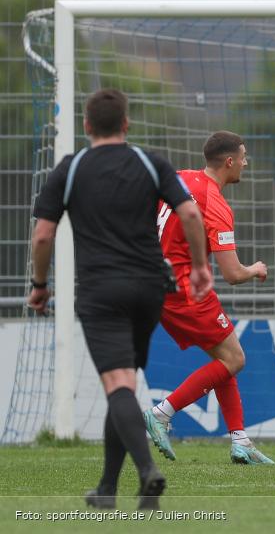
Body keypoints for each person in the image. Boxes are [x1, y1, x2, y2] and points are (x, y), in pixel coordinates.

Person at [27, 88, 212, 509]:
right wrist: (201, 267)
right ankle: (107, 490)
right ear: (126, 125)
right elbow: (189, 214)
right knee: (123, 384)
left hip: (102, 291)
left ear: (87, 125)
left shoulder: (71, 170)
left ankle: (148, 471)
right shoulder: (150, 161)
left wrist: (40, 285)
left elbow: (43, 234)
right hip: (150, 289)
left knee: (119, 383)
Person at [143, 131, 274, 466]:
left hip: (158, 282)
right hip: (186, 290)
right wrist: (255, 268)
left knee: (225, 358)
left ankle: (240, 441)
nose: (246, 162)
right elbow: (232, 274)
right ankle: (162, 413)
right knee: (235, 359)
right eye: (243, 156)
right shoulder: (215, 203)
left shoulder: (181, 177)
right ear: (229, 162)